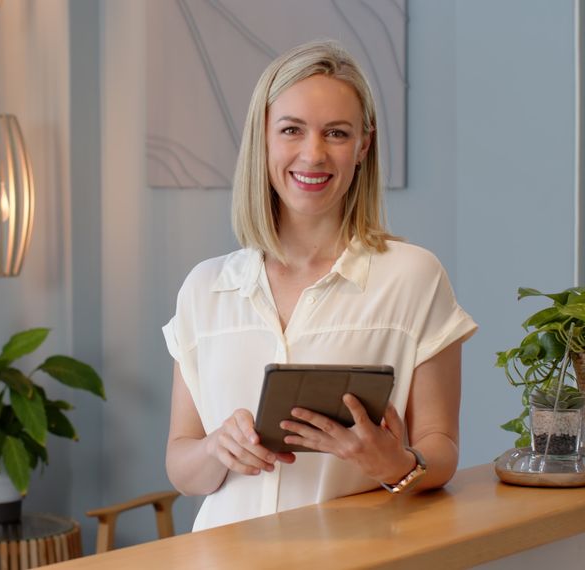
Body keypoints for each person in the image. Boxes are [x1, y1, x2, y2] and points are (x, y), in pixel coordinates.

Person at [162, 40, 477, 531]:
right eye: (291, 130)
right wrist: (215, 449)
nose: (313, 154)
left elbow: (442, 448)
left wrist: (392, 463)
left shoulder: (414, 276)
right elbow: (182, 468)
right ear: (263, 138)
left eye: (336, 133)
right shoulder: (205, 289)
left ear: (362, 147)